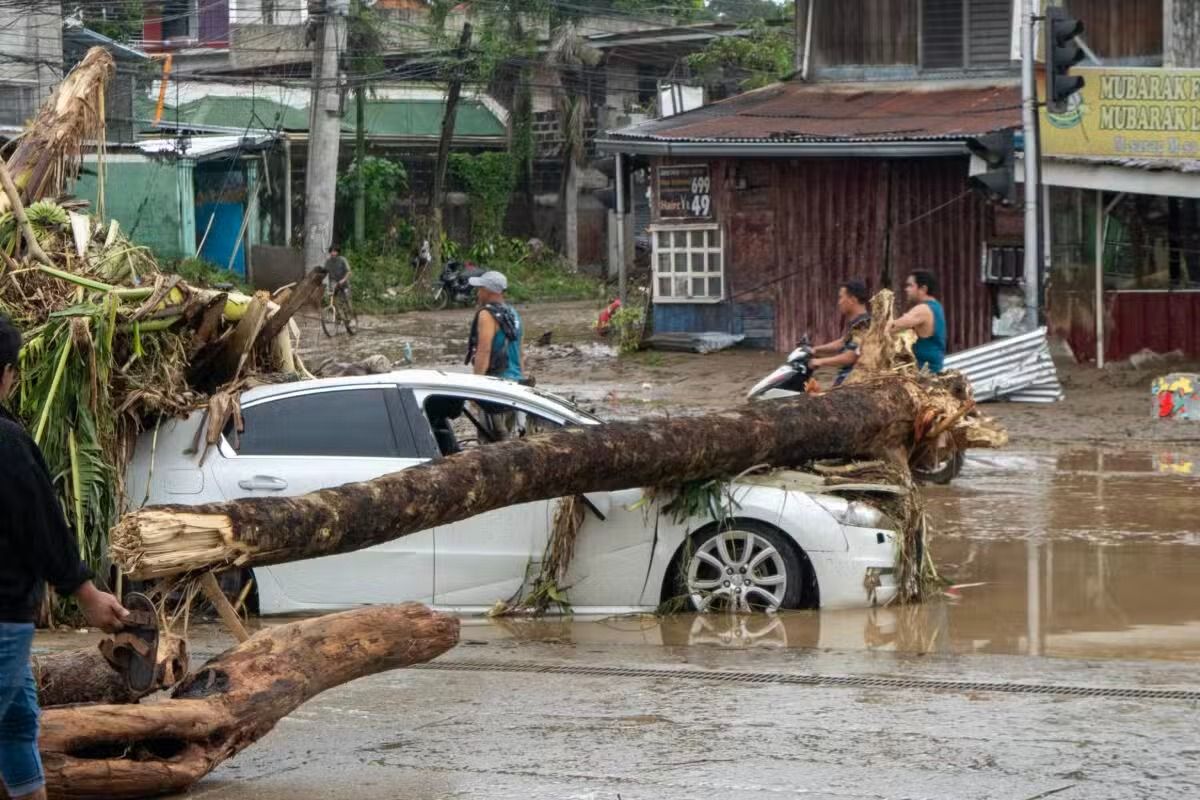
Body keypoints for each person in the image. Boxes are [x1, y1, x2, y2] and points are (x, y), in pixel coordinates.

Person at [0, 316, 128, 800]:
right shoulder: (6, 443)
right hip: (3, 618)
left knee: (17, 725)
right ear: (8, 373)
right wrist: (87, 593)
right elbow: (42, 529)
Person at [810, 280, 872, 386]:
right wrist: (816, 349)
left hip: (852, 380)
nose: (839, 302)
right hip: (846, 377)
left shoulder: (864, 325)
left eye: (841, 297)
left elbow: (850, 357)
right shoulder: (858, 322)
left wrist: (820, 361)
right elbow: (842, 342)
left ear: (852, 300)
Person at [464, 270, 524, 382]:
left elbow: (483, 352)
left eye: (480, 289)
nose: (478, 294)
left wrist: (476, 389)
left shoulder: (486, 314)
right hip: (516, 381)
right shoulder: (514, 314)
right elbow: (520, 354)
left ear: (488, 290)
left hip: (497, 383)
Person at [889, 270, 947, 373]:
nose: (906, 289)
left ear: (923, 289)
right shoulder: (936, 307)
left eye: (910, 286)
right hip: (932, 369)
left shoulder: (923, 309)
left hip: (923, 373)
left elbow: (892, 328)